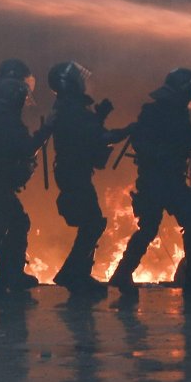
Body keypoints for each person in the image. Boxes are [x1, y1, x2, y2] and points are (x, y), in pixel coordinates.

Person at [109, 68, 191, 296]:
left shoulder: (174, 113)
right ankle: (124, 274)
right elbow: (144, 143)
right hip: (158, 180)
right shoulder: (155, 113)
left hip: (165, 180)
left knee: (182, 224)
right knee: (167, 225)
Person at [47, 61, 130, 295]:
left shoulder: (67, 107)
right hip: (74, 173)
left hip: (73, 172)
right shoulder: (70, 110)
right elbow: (97, 137)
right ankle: (72, 274)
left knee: (91, 222)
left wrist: (99, 117)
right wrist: (128, 130)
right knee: (92, 223)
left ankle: (79, 274)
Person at [0, 77, 52, 296]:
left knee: (13, 222)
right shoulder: (4, 118)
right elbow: (24, 148)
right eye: (23, 97)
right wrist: (44, 134)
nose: (24, 102)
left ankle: (7, 275)